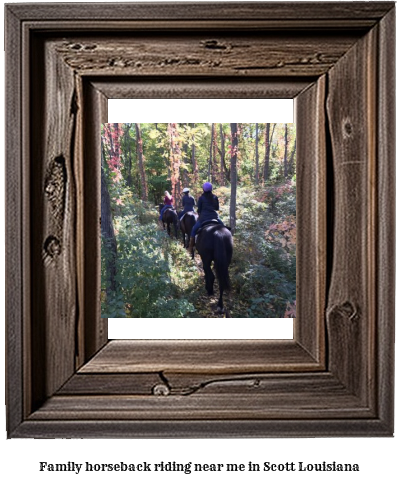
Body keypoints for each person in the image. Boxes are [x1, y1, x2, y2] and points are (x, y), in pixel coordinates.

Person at [188, 182, 224, 252]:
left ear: (203, 189)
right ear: (211, 189)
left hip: (203, 218)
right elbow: (217, 208)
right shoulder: (215, 197)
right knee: (224, 228)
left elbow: (199, 209)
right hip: (214, 217)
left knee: (194, 230)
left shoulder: (201, 198)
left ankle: (190, 247)